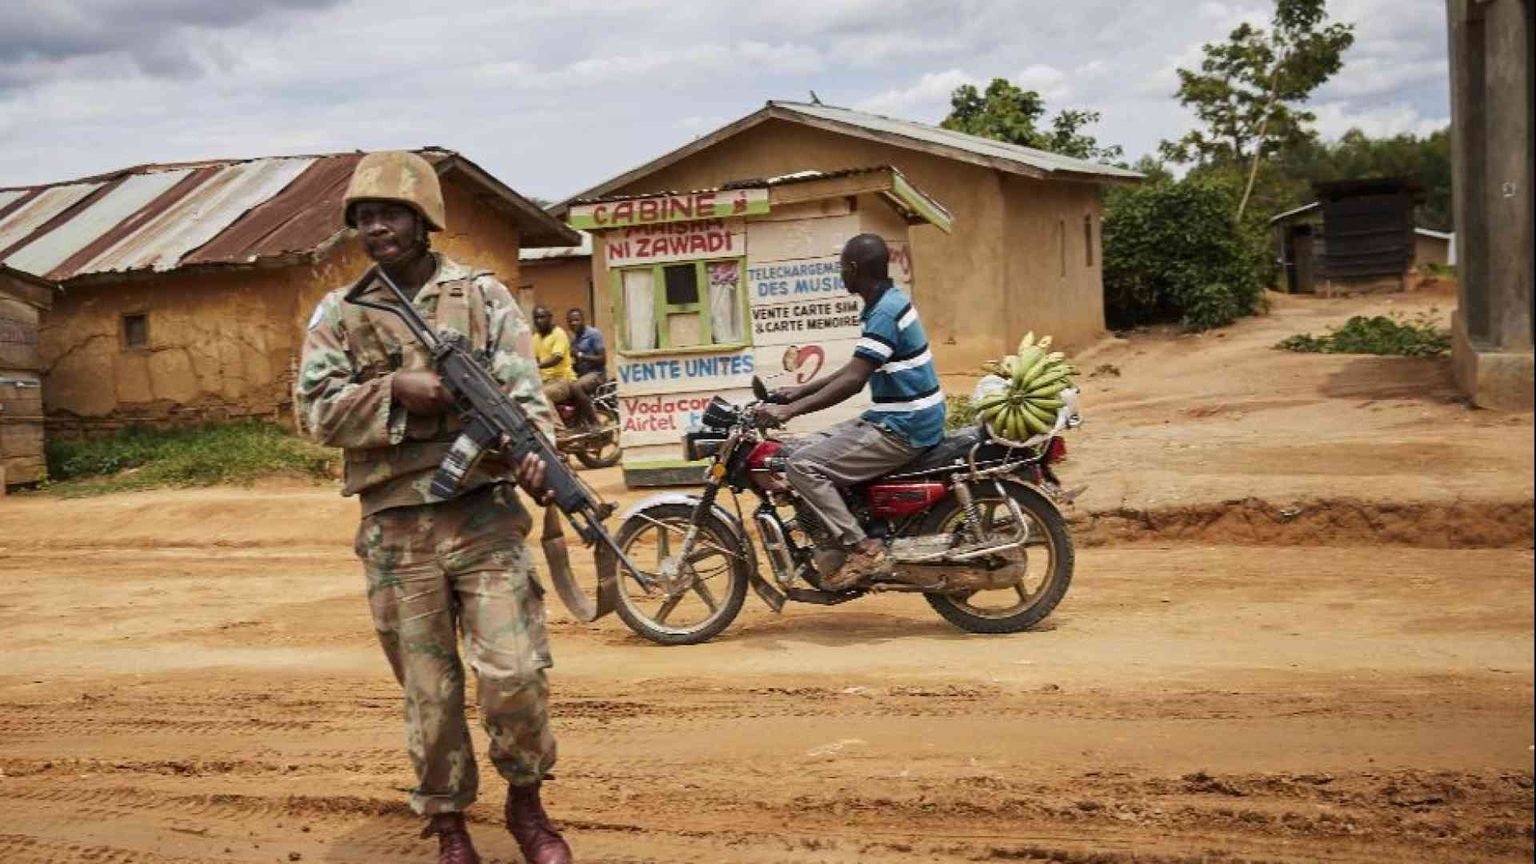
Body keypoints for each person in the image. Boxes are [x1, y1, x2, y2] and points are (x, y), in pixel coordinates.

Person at [295, 151, 573, 864]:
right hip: (397, 529)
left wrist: (538, 455)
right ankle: (449, 824)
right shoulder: (342, 312)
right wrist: (396, 391)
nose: (375, 227)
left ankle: (526, 802)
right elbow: (314, 412)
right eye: (364, 217)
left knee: (514, 671)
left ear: (424, 220)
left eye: (390, 214)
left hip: (484, 514)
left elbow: (525, 394)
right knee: (430, 692)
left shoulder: (481, 296)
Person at [757, 233, 946, 591]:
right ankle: (850, 526)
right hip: (895, 415)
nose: (841, 274)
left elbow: (854, 381)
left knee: (803, 466)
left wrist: (790, 411)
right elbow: (855, 367)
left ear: (855, 270)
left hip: (904, 426)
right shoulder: (883, 304)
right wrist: (799, 392)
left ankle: (863, 549)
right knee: (801, 448)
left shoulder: (884, 312)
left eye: (843, 268)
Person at [533, 305, 598, 428]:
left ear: (550, 318)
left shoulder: (559, 334)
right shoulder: (535, 338)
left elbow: (556, 358)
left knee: (542, 395)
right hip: (544, 381)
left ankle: (558, 429)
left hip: (563, 381)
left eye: (542, 317)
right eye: (536, 318)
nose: (538, 321)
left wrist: (537, 366)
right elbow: (532, 358)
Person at [565, 307, 607, 396]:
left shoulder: (594, 334)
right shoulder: (574, 341)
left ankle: (588, 406)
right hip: (582, 375)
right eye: (570, 321)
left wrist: (579, 355)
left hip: (596, 374)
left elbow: (602, 359)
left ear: (583, 320)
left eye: (576, 320)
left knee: (575, 387)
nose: (573, 323)